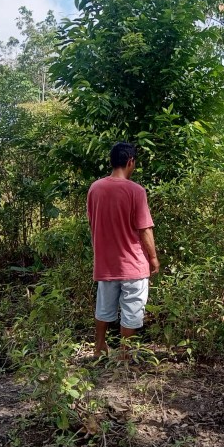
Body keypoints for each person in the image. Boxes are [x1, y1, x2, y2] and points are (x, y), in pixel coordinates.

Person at [87, 142, 160, 359]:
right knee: (132, 311)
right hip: (133, 265)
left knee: (103, 308)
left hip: (106, 263)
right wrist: (154, 258)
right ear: (130, 162)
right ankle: (125, 356)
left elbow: (93, 224)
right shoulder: (135, 191)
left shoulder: (95, 188)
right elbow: (144, 228)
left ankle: (99, 349)